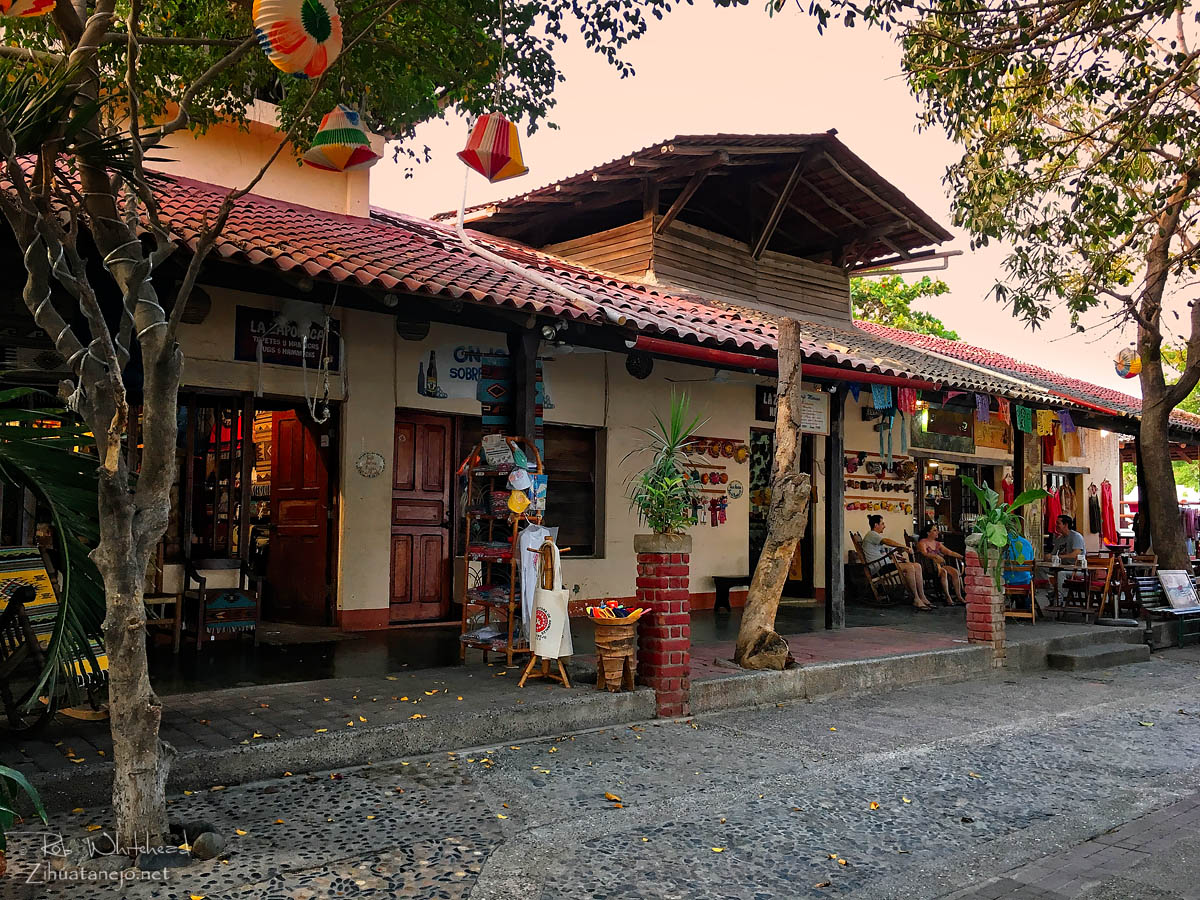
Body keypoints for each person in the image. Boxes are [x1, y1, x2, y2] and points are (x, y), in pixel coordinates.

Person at [861, 514, 933, 610]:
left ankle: (922, 596)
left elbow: (888, 550)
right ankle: (916, 598)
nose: (884, 526)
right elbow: (887, 541)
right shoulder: (872, 534)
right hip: (879, 568)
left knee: (917, 566)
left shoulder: (876, 537)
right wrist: (904, 547)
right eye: (882, 524)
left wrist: (899, 554)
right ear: (876, 525)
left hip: (885, 565)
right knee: (909, 567)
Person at [916, 523, 966, 605]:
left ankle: (959, 596)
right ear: (928, 533)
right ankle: (948, 597)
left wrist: (962, 557)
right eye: (934, 530)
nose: (937, 532)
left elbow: (949, 552)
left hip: (939, 566)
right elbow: (924, 554)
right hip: (928, 567)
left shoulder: (937, 543)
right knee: (944, 572)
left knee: (955, 572)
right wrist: (935, 556)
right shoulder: (922, 542)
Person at [1003, 531, 1035, 610]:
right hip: (1024, 582)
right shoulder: (1026, 543)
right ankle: (1024, 607)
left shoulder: (1001, 544)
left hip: (1005, 582)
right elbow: (1030, 560)